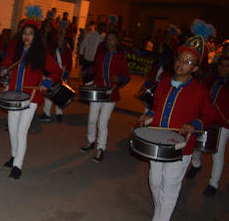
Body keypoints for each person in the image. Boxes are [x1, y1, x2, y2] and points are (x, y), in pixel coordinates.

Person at [137, 31, 217, 221]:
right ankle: (161, 217)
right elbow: (157, 108)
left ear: (195, 68)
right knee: (155, 182)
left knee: (170, 187)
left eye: (188, 62)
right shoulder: (163, 83)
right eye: (180, 59)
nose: (181, 64)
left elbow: (210, 116)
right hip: (158, 144)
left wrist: (194, 124)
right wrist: (148, 116)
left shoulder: (199, 90)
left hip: (181, 148)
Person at [0, 5, 62, 179]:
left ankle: (18, 165)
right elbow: (7, 62)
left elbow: (57, 72)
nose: (27, 36)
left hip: (31, 98)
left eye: (31, 33)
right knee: (12, 130)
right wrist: (4, 68)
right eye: (25, 33)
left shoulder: (42, 54)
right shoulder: (17, 50)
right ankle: (14, 156)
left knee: (21, 131)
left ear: (36, 36)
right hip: (13, 96)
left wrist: (47, 81)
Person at [79, 22, 129, 162]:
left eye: (113, 39)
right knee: (91, 119)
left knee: (102, 122)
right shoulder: (101, 55)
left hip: (110, 94)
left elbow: (126, 76)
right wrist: (86, 71)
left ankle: (101, 148)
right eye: (108, 39)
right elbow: (95, 67)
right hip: (97, 90)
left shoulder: (121, 58)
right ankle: (91, 141)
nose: (110, 41)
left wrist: (119, 79)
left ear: (117, 42)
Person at [186, 33, 228, 197]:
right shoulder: (211, 80)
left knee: (217, 154)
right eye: (221, 65)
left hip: (223, 124)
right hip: (205, 119)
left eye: (227, 66)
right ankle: (196, 165)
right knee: (196, 145)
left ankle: (213, 184)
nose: (223, 68)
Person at [39, 22, 73, 123]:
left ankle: (59, 113)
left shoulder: (67, 51)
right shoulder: (51, 49)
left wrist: (66, 73)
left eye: (62, 39)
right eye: (59, 39)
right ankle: (47, 113)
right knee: (49, 95)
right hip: (50, 74)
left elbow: (69, 64)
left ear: (65, 41)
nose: (60, 41)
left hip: (62, 74)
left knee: (60, 94)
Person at [137, 36, 175, 113]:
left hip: (161, 94)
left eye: (161, 45)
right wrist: (145, 85)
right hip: (153, 92)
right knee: (147, 112)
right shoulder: (159, 59)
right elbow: (152, 75)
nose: (159, 47)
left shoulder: (171, 66)